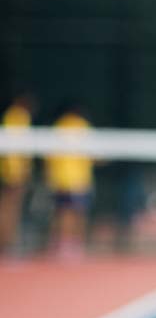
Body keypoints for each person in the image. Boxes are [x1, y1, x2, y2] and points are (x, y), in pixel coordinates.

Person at [45, 100, 94, 260]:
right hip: (79, 178)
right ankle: (74, 245)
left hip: (60, 178)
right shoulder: (83, 127)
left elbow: (49, 156)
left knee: (62, 212)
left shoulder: (58, 127)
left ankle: (62, 244)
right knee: (77, 213)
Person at [0, 93, 36, 258]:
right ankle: (6, 244)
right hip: (14, 173)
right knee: (10, 208)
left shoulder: (14, 116)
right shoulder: (18, 116)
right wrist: (19, 172)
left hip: (12, 171)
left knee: (10, 208)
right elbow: (15, 148)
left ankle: (7, 244)